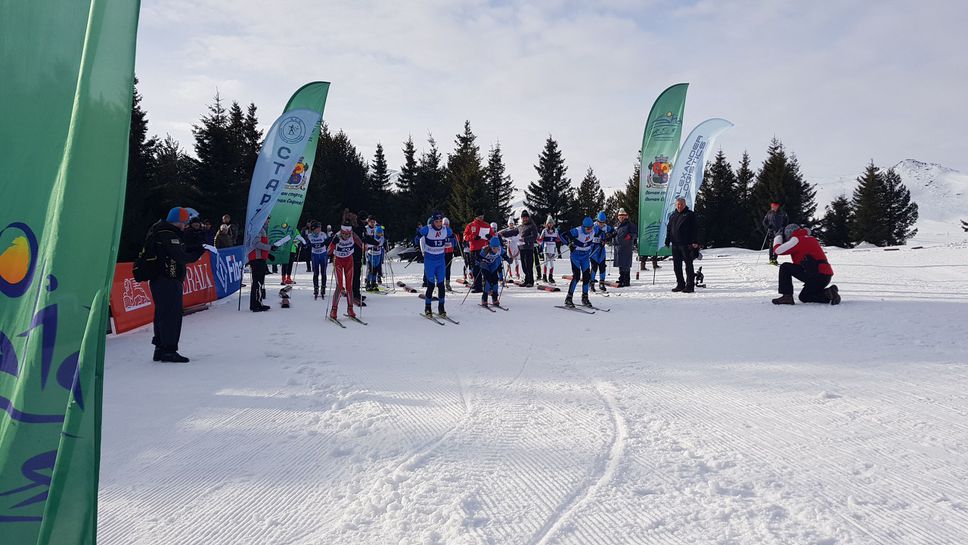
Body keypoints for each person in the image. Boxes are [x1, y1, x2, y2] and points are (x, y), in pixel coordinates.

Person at [145, 207, 205, 362]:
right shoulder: (168, 234)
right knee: (171, 315)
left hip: (159, 279)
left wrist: (195, 248)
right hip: (169, 279)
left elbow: (177, 249)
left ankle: (160, 347)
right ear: (178, 222)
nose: (186, 226)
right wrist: (198, 253)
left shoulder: (159, 231)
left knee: (161, 314)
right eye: (184, 223)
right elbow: (180, 256)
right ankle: (169, 350)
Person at [772, 224, 841, 305]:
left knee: (785, 267)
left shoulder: (796, 239)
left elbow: (777, 251)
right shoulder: (810, 238)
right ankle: (829, 293)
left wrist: (778, 237)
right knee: (804, 297)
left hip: (814, 274)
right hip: (824, 276)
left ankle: (787, 297)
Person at [415, 212, 458, 317]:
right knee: (431, 285)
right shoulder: (428, 229)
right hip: (430, 260)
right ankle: (428, 308)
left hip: (440, 260)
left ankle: (441, 308)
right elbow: (418, 236)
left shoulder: (445, 229)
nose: (438, 224)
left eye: (440, 221)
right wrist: (418, 247)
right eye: (436, 221)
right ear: (433, 221)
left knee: (441, 285)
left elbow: (452, 236)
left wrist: (455, 245)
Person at [327, 225, 364, 320]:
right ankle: (333, 310)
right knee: (339, 287)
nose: (346, 236)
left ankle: (350, 309)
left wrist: (364, 245)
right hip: (338, 261)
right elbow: (328, 252)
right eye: (344, 234)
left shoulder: (353, 235)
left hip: (349, 261)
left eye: (348, 234)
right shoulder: (337, 236)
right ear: (341, 232)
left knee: (349, 286)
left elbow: (362, 245)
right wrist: (333, 244)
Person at [559, 217, 597, 308]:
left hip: (585, 256)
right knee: (576, 276)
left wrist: (605, 238)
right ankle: (569, 298)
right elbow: (562, 235)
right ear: (583, 227)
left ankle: (585, 297)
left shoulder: (594, 231)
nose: (589, 231)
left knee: (587, 276)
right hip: (576, 256)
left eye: (591, 228)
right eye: (587, 229)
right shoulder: (577, 231)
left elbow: (602, 233)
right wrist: (569, 244)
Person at [665, 197, 699, 293]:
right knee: (677, 266)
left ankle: (690, 285)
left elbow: (695, 229)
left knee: (688, 265)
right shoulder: (673, 215)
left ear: (685, 204)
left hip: (686, 244)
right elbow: (669, 228)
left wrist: (695, 242)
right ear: (676, 205)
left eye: (681, 204)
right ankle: (680, 284)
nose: (679, 206)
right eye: (678, 204)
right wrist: (667, 240)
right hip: (675, 245)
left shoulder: (690, 215)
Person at [500, 210, 539, 286]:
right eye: (523, 218)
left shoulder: (532, 226)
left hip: (528, 247)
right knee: (524, 265)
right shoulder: (520, 226)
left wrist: (525, 239)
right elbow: (512, 232)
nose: (525, 219)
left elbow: (534, 236)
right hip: (521, 248)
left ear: (528, 218)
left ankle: (530, 281)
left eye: (526, 217)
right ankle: (526, 280)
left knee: (529, 264)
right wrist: (503, 234)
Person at [247, 219, 273, 312]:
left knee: (258, 282)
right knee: (257, 282)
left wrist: (268, 254)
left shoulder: (259, 229)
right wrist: (270, 247)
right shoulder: (257, 229)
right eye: (267, 219)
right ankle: (256, 304)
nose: (268, 222)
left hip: (259, 258)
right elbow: (256, 244)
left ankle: (257, 303)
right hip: (257, 259)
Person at [462, 210, 491, 292]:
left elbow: (492, 236)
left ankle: (487, 286)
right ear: (476, 217)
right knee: (476, 268)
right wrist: (473, 237)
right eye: (479, 217)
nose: (481, 218)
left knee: (485, 268)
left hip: (484, 249)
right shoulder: (470, 225)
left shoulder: (486, 225)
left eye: (482, 216)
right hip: (474, 249)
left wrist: (490, 236)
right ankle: (478, 286)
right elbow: (465, 236)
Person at [589, 210, 614, 292]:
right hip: (593, 249)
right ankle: (591, 283)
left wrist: (610, 235)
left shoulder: (606, 227)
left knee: (602, 266)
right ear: (597, 221)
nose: (601, 224)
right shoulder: (593, 226)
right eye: (600, 222)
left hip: (601, 250)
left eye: (603, 222)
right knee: (594, 267)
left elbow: (613, 231)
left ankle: (602, 283)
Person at [478, 236, 506, 307]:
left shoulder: (500, 249)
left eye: (497, 248)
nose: (495, 249)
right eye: (493, 248)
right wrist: (479, 262)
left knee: (495, 281)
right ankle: (484, 299)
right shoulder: (485, 250)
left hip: (493, 266)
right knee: (488, 280)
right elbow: (478, 258)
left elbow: (504, 255)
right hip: (485, 266)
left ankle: (495, 298)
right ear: (490, 246)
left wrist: (509, 259)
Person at [613, 208, 637, 287]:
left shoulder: (629, 224)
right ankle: (621, 278)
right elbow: (614, 233)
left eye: (623, 216)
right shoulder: (617, 225)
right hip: (618, 247)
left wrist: (630, 236)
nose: (621, 217)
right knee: (620, 263)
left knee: (626, 264)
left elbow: (635, 233)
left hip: (626, 247)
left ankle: (626, 280)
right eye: (620, 216)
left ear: (626, 216)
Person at [306, 221, 330, 299]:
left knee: (323, 272)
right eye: (318, 228)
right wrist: (307, 245)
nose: (319, 229)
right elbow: (306, 244)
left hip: (323, 255)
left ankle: (323, 288)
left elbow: (328, 242)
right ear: (313, 229)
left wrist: (326, 243)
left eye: (320, 228)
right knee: (316, 272)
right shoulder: (309, 236)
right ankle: (316, 288)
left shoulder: (323, 234)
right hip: (315, 255)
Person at [762, 201, 789, 265]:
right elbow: (764, 222)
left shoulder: (782, 213)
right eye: (772, 206)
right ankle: (771, 259)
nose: (772, 207)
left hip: (779, 231)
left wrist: (783, 227)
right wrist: (768, 226)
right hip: (771, 231)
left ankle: (775, 259)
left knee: (777, 245)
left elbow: (786, 220)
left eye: (774, 206)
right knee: (771, 245)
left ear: (777, 206)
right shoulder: (769, 213)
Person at [536, 217, 561, 283]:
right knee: (546, 263)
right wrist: (537, 239)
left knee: (552, 264)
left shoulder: (556, 230)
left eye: (551, 223)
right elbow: (540, 240)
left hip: (553, 248)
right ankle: (544, 276)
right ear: (547, 224)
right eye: (549, 223)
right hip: (546, 248)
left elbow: (558, 239)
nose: (550, 224)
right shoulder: (544, 230)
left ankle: (550, 277)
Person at [366, 225, 387, 292]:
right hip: (371, 254)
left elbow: (381, 244)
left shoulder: (382, 238)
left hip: (378, 255)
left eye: (380, 233)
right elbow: (368, 244)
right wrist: (372, 244)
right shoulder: (372, 237)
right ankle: (368, 283)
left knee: (375, 269)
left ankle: (374, 283)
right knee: (370, 269)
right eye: (378, 233)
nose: (379, 234)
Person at [442, 218, 458, 291]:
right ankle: (440, 282)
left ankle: (447, 283)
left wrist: (455, 247)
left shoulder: (451, 232)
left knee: (448, 268)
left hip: (449, 252)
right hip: (441, 252)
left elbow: (454, 240)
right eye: (444, 224)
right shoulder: (440, 231)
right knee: (441, 268)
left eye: (447, 224)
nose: (446, 226)